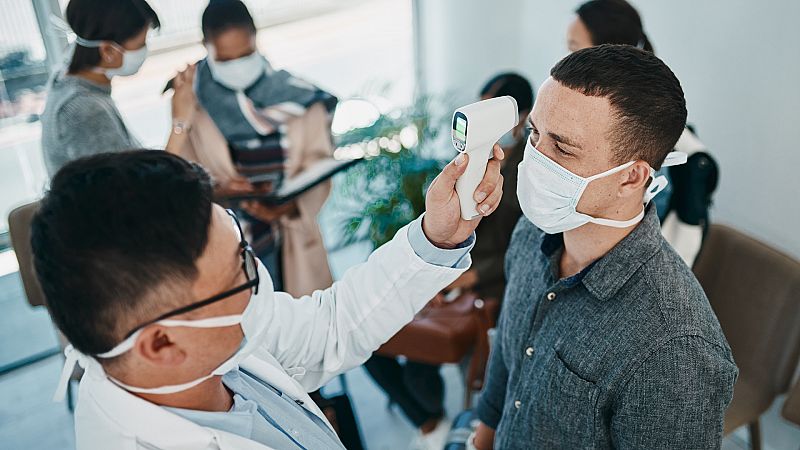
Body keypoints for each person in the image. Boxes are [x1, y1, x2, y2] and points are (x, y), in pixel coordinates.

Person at [32, 145, 504, 449]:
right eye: (240, 273)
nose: (257, 278)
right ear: (162, 344)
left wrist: (436, 237)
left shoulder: (209, 348)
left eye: (243, 249)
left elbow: (331, 327)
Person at [469, 45, 737, 449]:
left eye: (562, 148)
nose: (533, 161)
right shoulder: (529, 235)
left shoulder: (674, 352)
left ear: (631, 177)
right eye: (534, 134)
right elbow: (507, 363)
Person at [362, 73, 533, 449]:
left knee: (418, 358)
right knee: (372, 348)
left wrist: (463, 281)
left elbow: (521, 250)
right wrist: (436, 270)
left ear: (519, 117)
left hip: (487, 284)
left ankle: (431, 421)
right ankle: (427, 419)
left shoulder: (527, 173)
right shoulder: (473, 158)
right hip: (453, 265)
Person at [177, 0, 338, 293]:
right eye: (226, 60)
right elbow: (182, 177)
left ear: (255, 37)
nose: (238, 66)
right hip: (228, 243)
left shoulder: (298, 97)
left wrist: (290, 208)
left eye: (246, 54)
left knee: (301, 325)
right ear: (205, 45)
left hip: (291, 238)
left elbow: (320, 166)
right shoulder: (192, 104)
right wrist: (218, 190)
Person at [567, 0, 720, 265]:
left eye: (574, 50)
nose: (566, 62)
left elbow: (639, 248)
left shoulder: (646, 137)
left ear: (604, 56)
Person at [40, 0, 197, 177]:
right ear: (108, 50)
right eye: (141, 44)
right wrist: (180, 122)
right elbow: (137, 194)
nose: (145, 50)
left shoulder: (69, 72)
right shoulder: (84, 110)